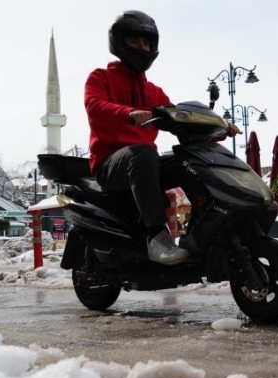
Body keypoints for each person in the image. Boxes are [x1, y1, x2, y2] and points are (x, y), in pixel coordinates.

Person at [85, 10, 239, 265]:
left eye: (146, 42)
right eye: (135, 41)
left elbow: (180, 118)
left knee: (188, 160)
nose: (142, 47)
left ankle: (204, 227)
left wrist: (218, 126)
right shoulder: (100, 77)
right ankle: (156, 236)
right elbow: (94, 105)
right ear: (120, 42)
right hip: (109, 164)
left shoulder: (152, 91)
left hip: (144, 164)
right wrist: (129, 113)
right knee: (143, 153)